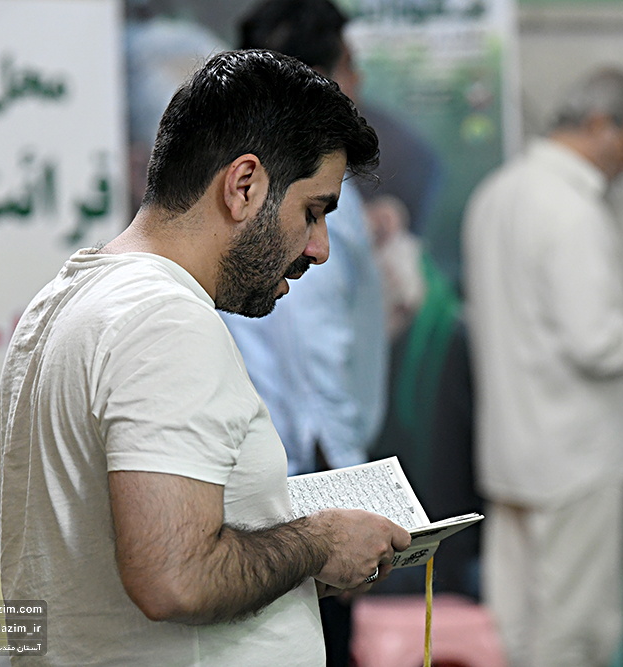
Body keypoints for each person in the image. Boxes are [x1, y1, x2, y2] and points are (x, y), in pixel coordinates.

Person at [0, 49, 412, 666]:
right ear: (244, 187)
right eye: (312, 212)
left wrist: (290, 558)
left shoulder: (65, 299)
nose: (320, 248)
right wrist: (320, 543)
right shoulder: (163, 320)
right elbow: (175, 577)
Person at [462, 68, 623, 667]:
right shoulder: (572, 209)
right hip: (576, 456)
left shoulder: (496, 193)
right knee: (575, 630)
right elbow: (597, 345)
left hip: (511, 450)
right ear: (597, 125)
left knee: (514, 626)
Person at [220, 3, 391, 664]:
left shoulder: (263, 174)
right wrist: (348, 486)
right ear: (321, 76)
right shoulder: (298, 188)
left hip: (280, 467)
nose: (361, 81)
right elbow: (312, 351)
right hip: (301, 473)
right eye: (351, 64)